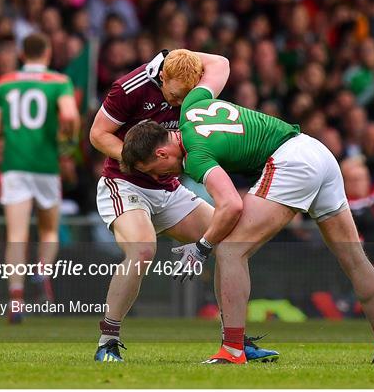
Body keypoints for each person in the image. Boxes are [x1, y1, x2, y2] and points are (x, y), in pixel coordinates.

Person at [121, 49, 374, 365]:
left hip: (292, 161)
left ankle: (233, 349)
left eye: (154, 170)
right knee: (353, 257)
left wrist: (201, 247)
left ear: (160, 154)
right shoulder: (191, 107)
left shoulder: (194, 157)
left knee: (229, 250)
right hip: (317, 152)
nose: (161, 177)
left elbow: (231, 206)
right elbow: (218, 63)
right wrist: (172, 56)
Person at [89, 49, 277, 363]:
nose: (179, 105)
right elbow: (97, 134)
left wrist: (177, 54)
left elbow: (222, 62)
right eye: (176, 96)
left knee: (230, 243)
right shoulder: (129, 88)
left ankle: (234, 341)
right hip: (126, 183)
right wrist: (140, 163)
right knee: (143, 249)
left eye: (186, 97)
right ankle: (107, 341)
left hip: (170, 187)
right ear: (162, 76)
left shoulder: (189, 81)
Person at [0, 33, 80, 323]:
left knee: (16, 235)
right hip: (45, 165)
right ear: (48, 52)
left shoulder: (3, 83)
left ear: (21, 54)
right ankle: (42, 269)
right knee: (49, 230)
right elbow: (68, 115)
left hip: (14, 165)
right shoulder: (58, 81)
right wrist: (68, 142)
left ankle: (16, 299)